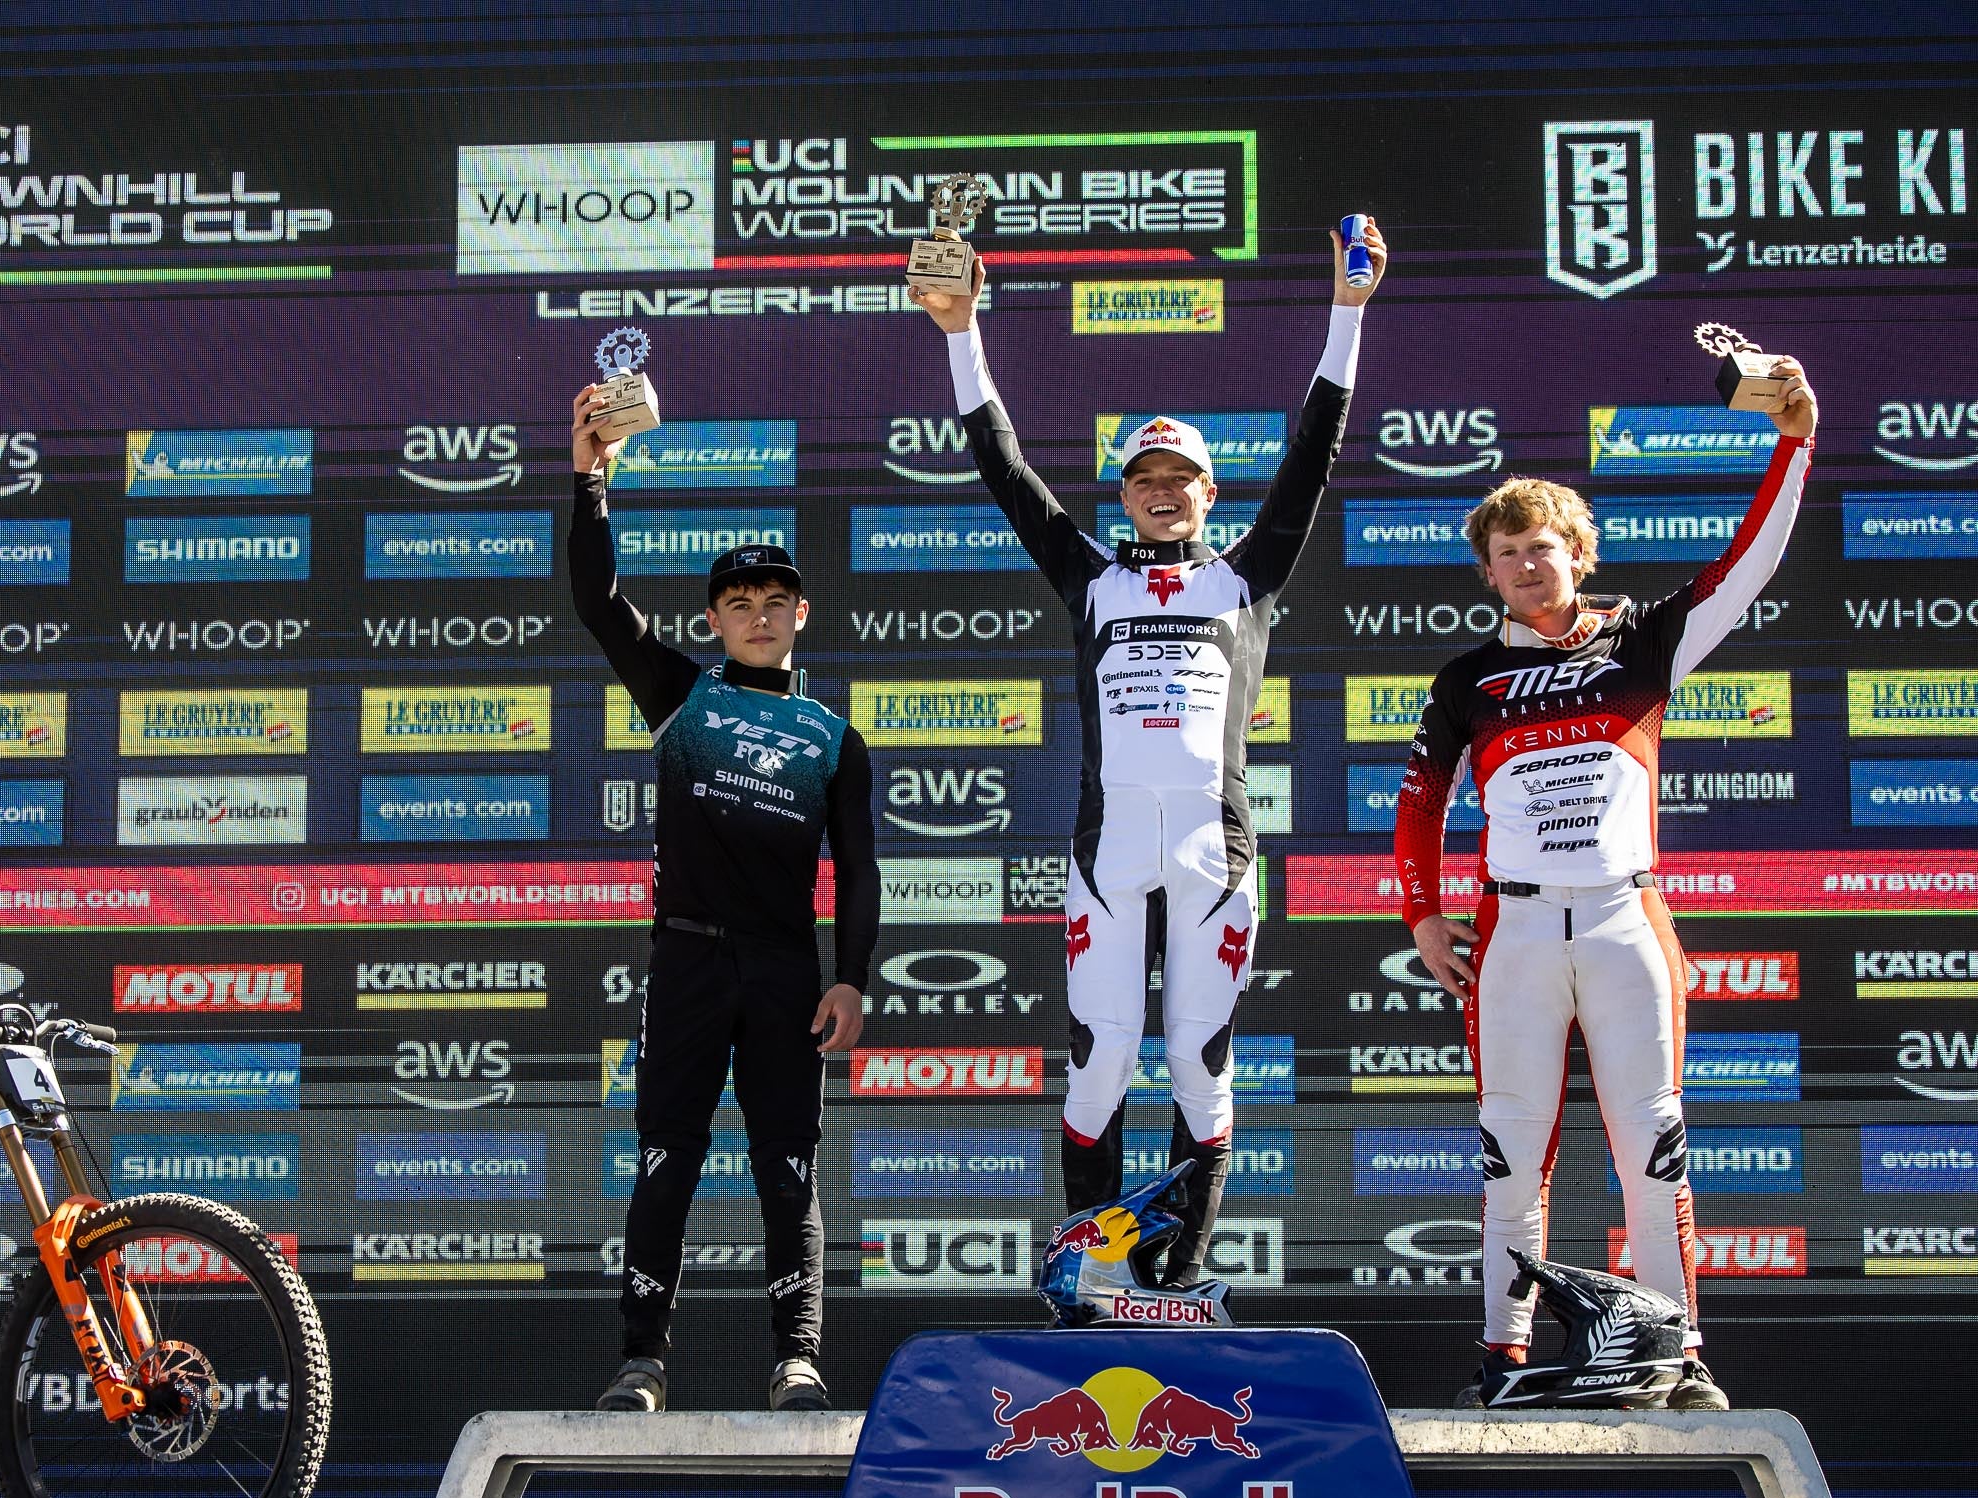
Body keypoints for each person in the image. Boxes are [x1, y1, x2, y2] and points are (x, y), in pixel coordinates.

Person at [911, 222, 1386, 1278]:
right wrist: (961, 331)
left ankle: (1180, 1275)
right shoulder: (1092, 578)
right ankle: (1091, 1267)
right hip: (1107, 858)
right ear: (1121, 493)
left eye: (1181, 476)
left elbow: (1311, 456)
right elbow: (1005, 468)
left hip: (1214, 857)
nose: (1161, 490)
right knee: (1099, 1069)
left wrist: (1346, 317)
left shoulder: (1244, 577)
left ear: (1210, 492)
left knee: (1199, 1075)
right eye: (1141, 476)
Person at [1391, 356, 1818, 1409]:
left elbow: (1746, 567)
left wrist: (1794, 443)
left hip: (1628, 919)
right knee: (1507, 1165)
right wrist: (1423, 913)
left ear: (1578, 554)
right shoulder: (1466, 681)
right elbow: (1417, 800)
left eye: (1542, 548)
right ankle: (1498, 1360)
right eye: (1507, 556)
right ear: (1486, 576)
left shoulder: (1644, 643)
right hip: (1515, 938)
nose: (1528, 568)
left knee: (1654, 1153)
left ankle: (1677, 1357)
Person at [566, 383, 878, 1413]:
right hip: (690, 961)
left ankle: (796, 1358)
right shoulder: (680, 695)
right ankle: (640, 1360)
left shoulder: (836, 738)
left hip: (788, 971)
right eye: (737, 604)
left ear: (801, 614)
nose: (755, 616)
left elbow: (860, 868)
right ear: (713, 619)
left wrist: (854, 981)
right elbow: (597, 603)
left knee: (788, 1170)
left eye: (773, 602)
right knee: (667, 1159)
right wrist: (590, 480)